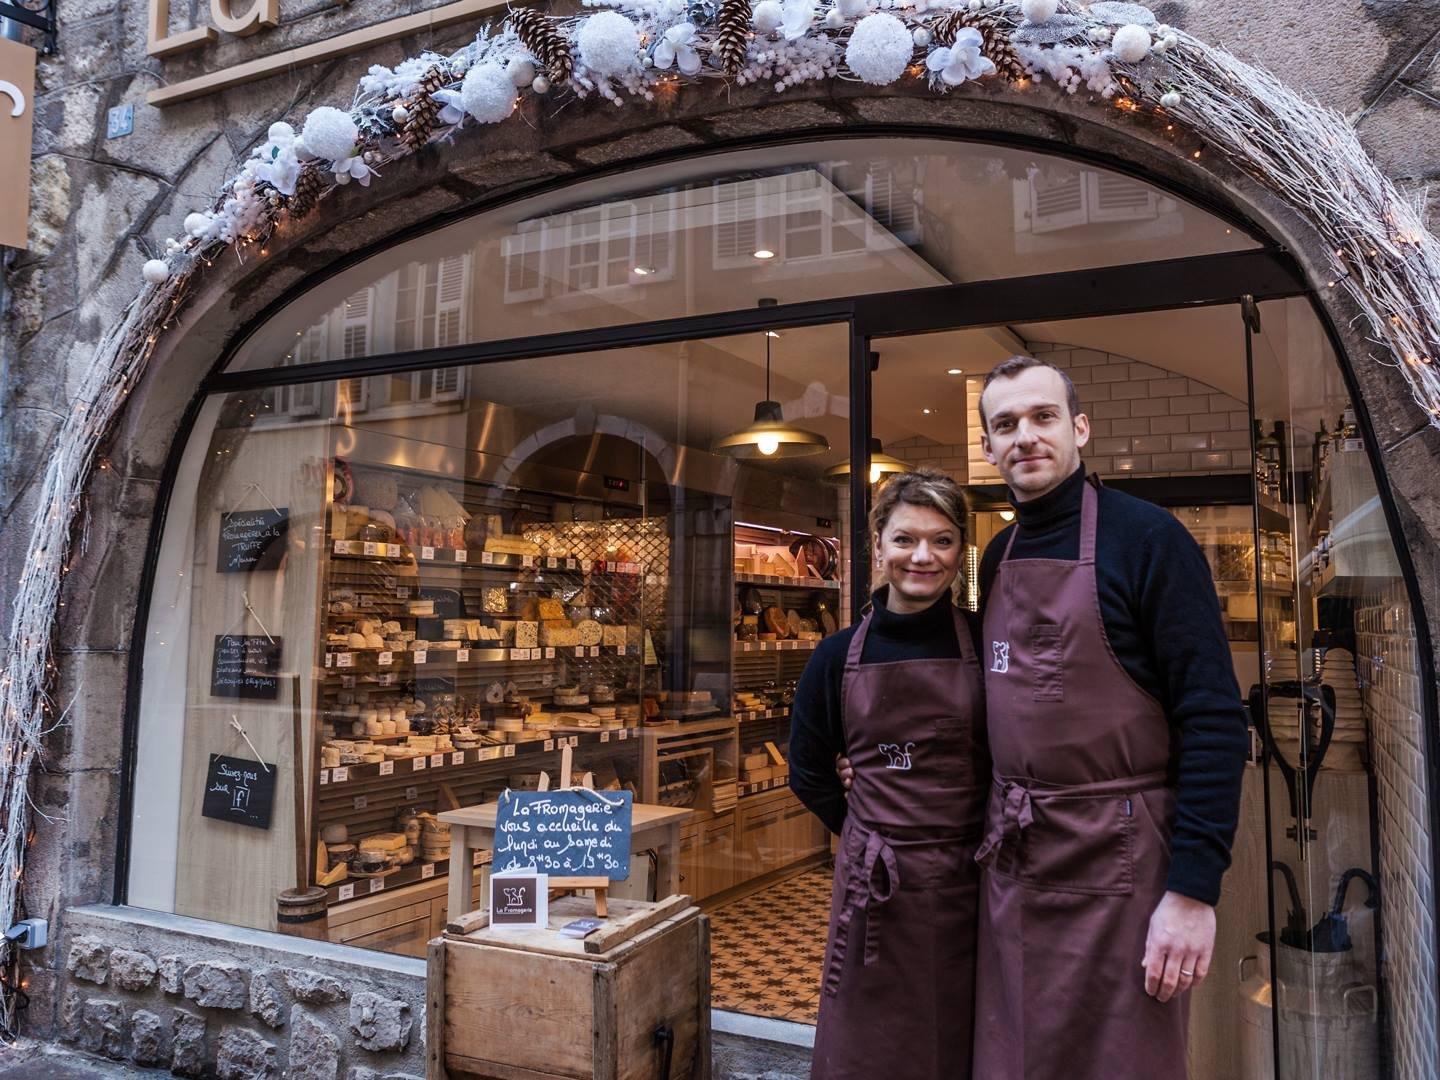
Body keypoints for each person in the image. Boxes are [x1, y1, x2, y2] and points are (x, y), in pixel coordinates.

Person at [970, 355, 1248, 1078]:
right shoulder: (998, 555)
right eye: (1006, 425)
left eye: (1043, 417)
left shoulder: (1150, 539)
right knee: (1014, 1057)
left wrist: (1192, 891)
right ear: (988, 448)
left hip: (1125, 868)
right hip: (1018, 863)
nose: (1025, 437)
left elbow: (1214, 719)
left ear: (1080, 428)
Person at [789, 468, 988, 1080]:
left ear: (960, 550)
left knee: (968, 1034)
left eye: (942, 540)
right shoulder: (836, 654)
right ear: (877, 545)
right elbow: (808, 769)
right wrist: (865, 828)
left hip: (976, 877)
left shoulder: (987, 644)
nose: (922, 556)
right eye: (904, 539)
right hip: (875, 883)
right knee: (868, 1047)